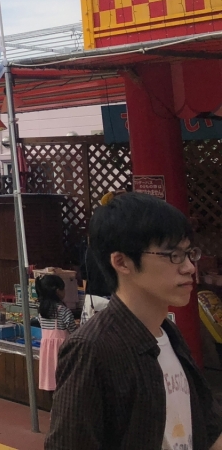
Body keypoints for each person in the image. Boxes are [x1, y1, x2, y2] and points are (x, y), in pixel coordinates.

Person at [46, 192, 222, 450]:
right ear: (122, 262)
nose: (189, 268)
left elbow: (206, 432)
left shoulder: (169, 334)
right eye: (173, 255)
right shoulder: (92, 348)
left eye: (188, 254)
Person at [36, 273, 75, 392]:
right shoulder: (64, 311)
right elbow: (74, 332)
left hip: (47, 353)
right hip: (62, 351)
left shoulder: (41, 312)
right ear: (58, 291)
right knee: (63, 383)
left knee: (51, 382)